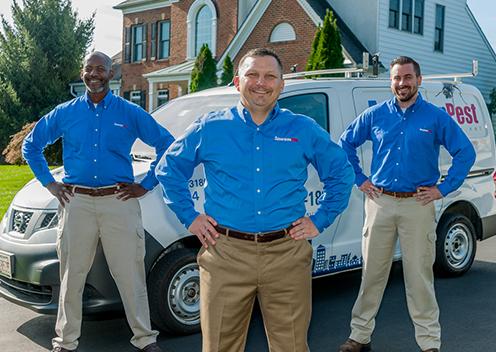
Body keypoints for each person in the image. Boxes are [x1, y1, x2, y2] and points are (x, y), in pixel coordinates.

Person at [155, 48, 354, 352]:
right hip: (225, 255)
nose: (261, 82)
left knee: (291, 347)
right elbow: (169, 169)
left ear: (281, 84)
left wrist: (319, 220)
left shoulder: (302, 128)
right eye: (252, 74)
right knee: (220, 346)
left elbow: (341, 173)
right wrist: (190, 217)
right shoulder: (211, 127)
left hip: (287, 254)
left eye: (270, 76)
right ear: (237, 81)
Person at [22, 51, 173, 352]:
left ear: (111, 73)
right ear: (83, 73)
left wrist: (145, 184)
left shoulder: (128, 112)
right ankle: (65, 342)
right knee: (72, 275)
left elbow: (167, 144)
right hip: (76, 203)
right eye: (89, 69)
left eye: (100, 69)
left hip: (118, 202)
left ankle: (145, 339)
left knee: (130, 275)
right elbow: (32, 145)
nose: (94, 74)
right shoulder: (65, 112)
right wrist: (49, 183)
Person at [338, 56, 476, 352]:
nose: (402, 83)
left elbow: (465, 153)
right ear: (391, 82)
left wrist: (443, 189)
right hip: (380, 202)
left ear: (419, 80)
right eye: (397, 78)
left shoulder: (435, 117)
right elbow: (345, 142)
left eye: (407, 77)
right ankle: (359, 336)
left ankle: (429, 343)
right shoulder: (375, 115)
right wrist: (359, 178)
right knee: (372, 273)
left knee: (419, 276)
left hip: (418, 204)